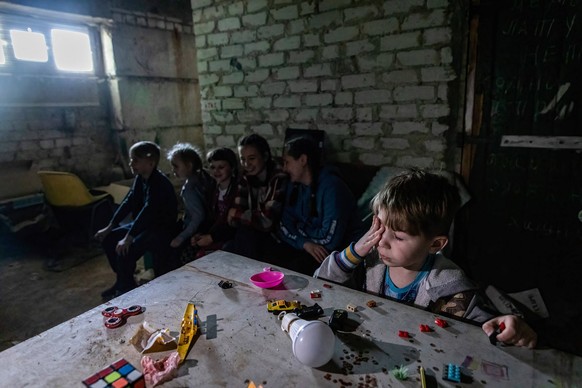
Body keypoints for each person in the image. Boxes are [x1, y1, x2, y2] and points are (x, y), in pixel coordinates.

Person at [315, 168, 538, 348]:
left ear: (435, 244)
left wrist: (506, 327)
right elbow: (321, 284)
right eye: (380, 227)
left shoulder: (450, 284)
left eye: (399, 237)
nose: (381, 241)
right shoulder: (370, 261)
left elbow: (482, 329)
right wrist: (352, 253)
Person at [95, 141, 178, 299]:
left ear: (151, 163)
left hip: (161, 229)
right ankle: (123, 280)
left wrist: (129, 237)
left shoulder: (159, 183)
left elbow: (148, 212)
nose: (131, 163)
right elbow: (128, 202)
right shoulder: (141, 178)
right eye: (131, 159)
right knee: (110, 239)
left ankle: (126, 289)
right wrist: (109, 226)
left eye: (135, 160)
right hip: (146, 226)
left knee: (126, 249)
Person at [278, 137, 363, 274]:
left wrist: (299, 228)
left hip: (340, 252)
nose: (284, 168)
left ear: (303, 160)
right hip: (311, 246)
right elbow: (283, 225)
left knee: (297, 268)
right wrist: (304, 243)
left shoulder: (332, 188)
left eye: (287, 162)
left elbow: (330, 240)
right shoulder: (294, 185)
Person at [227, 134, 288, 259]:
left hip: (278, 237)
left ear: (265, 156)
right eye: (242, 159)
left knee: (245, 236)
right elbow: (233, 219)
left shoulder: (278, 177)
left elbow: (267, 222)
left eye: (252, 158)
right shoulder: (246, 177)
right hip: (254, 234)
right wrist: (242, 216)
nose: (246, 164)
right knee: (230, 246)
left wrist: (238, 215)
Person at [166, 143, 212, 257]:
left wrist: (181, 237)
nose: (173, 170)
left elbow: (198, 216)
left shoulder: (189, 189)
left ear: (189, 166)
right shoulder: (202, 177)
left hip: (195, 231)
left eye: (176, 166)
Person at [192, 147, 239, 257]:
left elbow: (234, 225)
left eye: (221, 167)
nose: (216, 171)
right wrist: (200, 233)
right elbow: (210, 217)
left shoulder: (238, 190)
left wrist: (212, 237)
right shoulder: (213, 190)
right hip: (215, 234)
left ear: (232, 167)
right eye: (212, 167)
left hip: (228, 236)